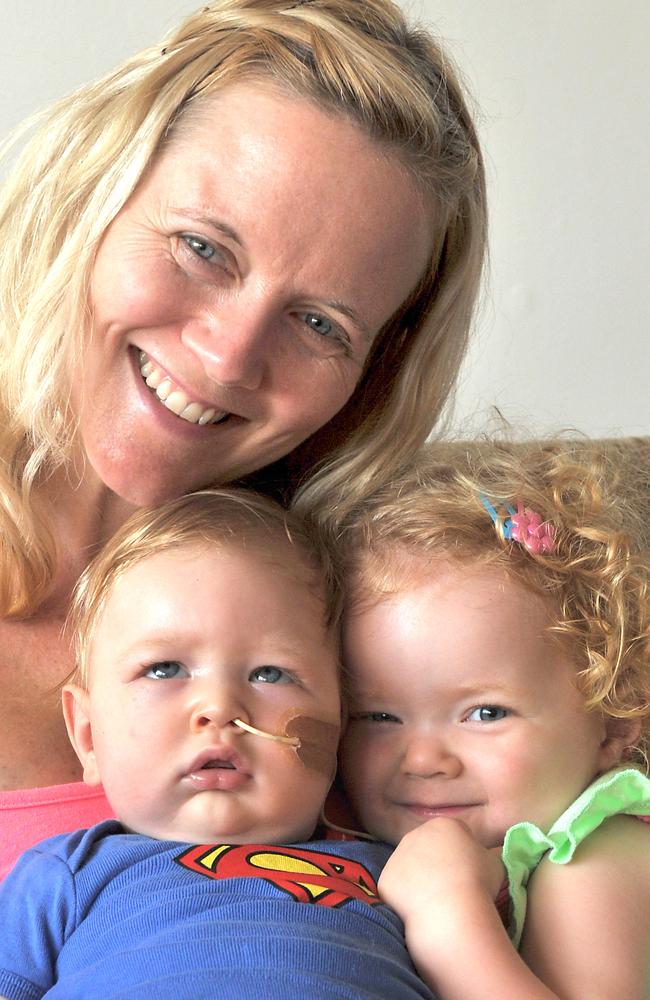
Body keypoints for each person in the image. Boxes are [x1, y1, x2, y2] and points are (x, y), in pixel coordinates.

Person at [0, 0, 487, 875]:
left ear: (372, 374)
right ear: (91, 193)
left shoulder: (379, 640)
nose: (228, 360)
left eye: (318, 323)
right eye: (202, 248)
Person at [0, 488, 435, 999]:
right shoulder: (64, 875)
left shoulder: (405, 871)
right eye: (163, 669)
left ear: (340, 727)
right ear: (89, 737)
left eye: (270, 673)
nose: (219, 707)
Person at [335, 441, 650, 999]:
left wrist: (446, 916)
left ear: (613, 722)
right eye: (378, 715)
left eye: (485, 713)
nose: (424, 760)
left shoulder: (596, 856)